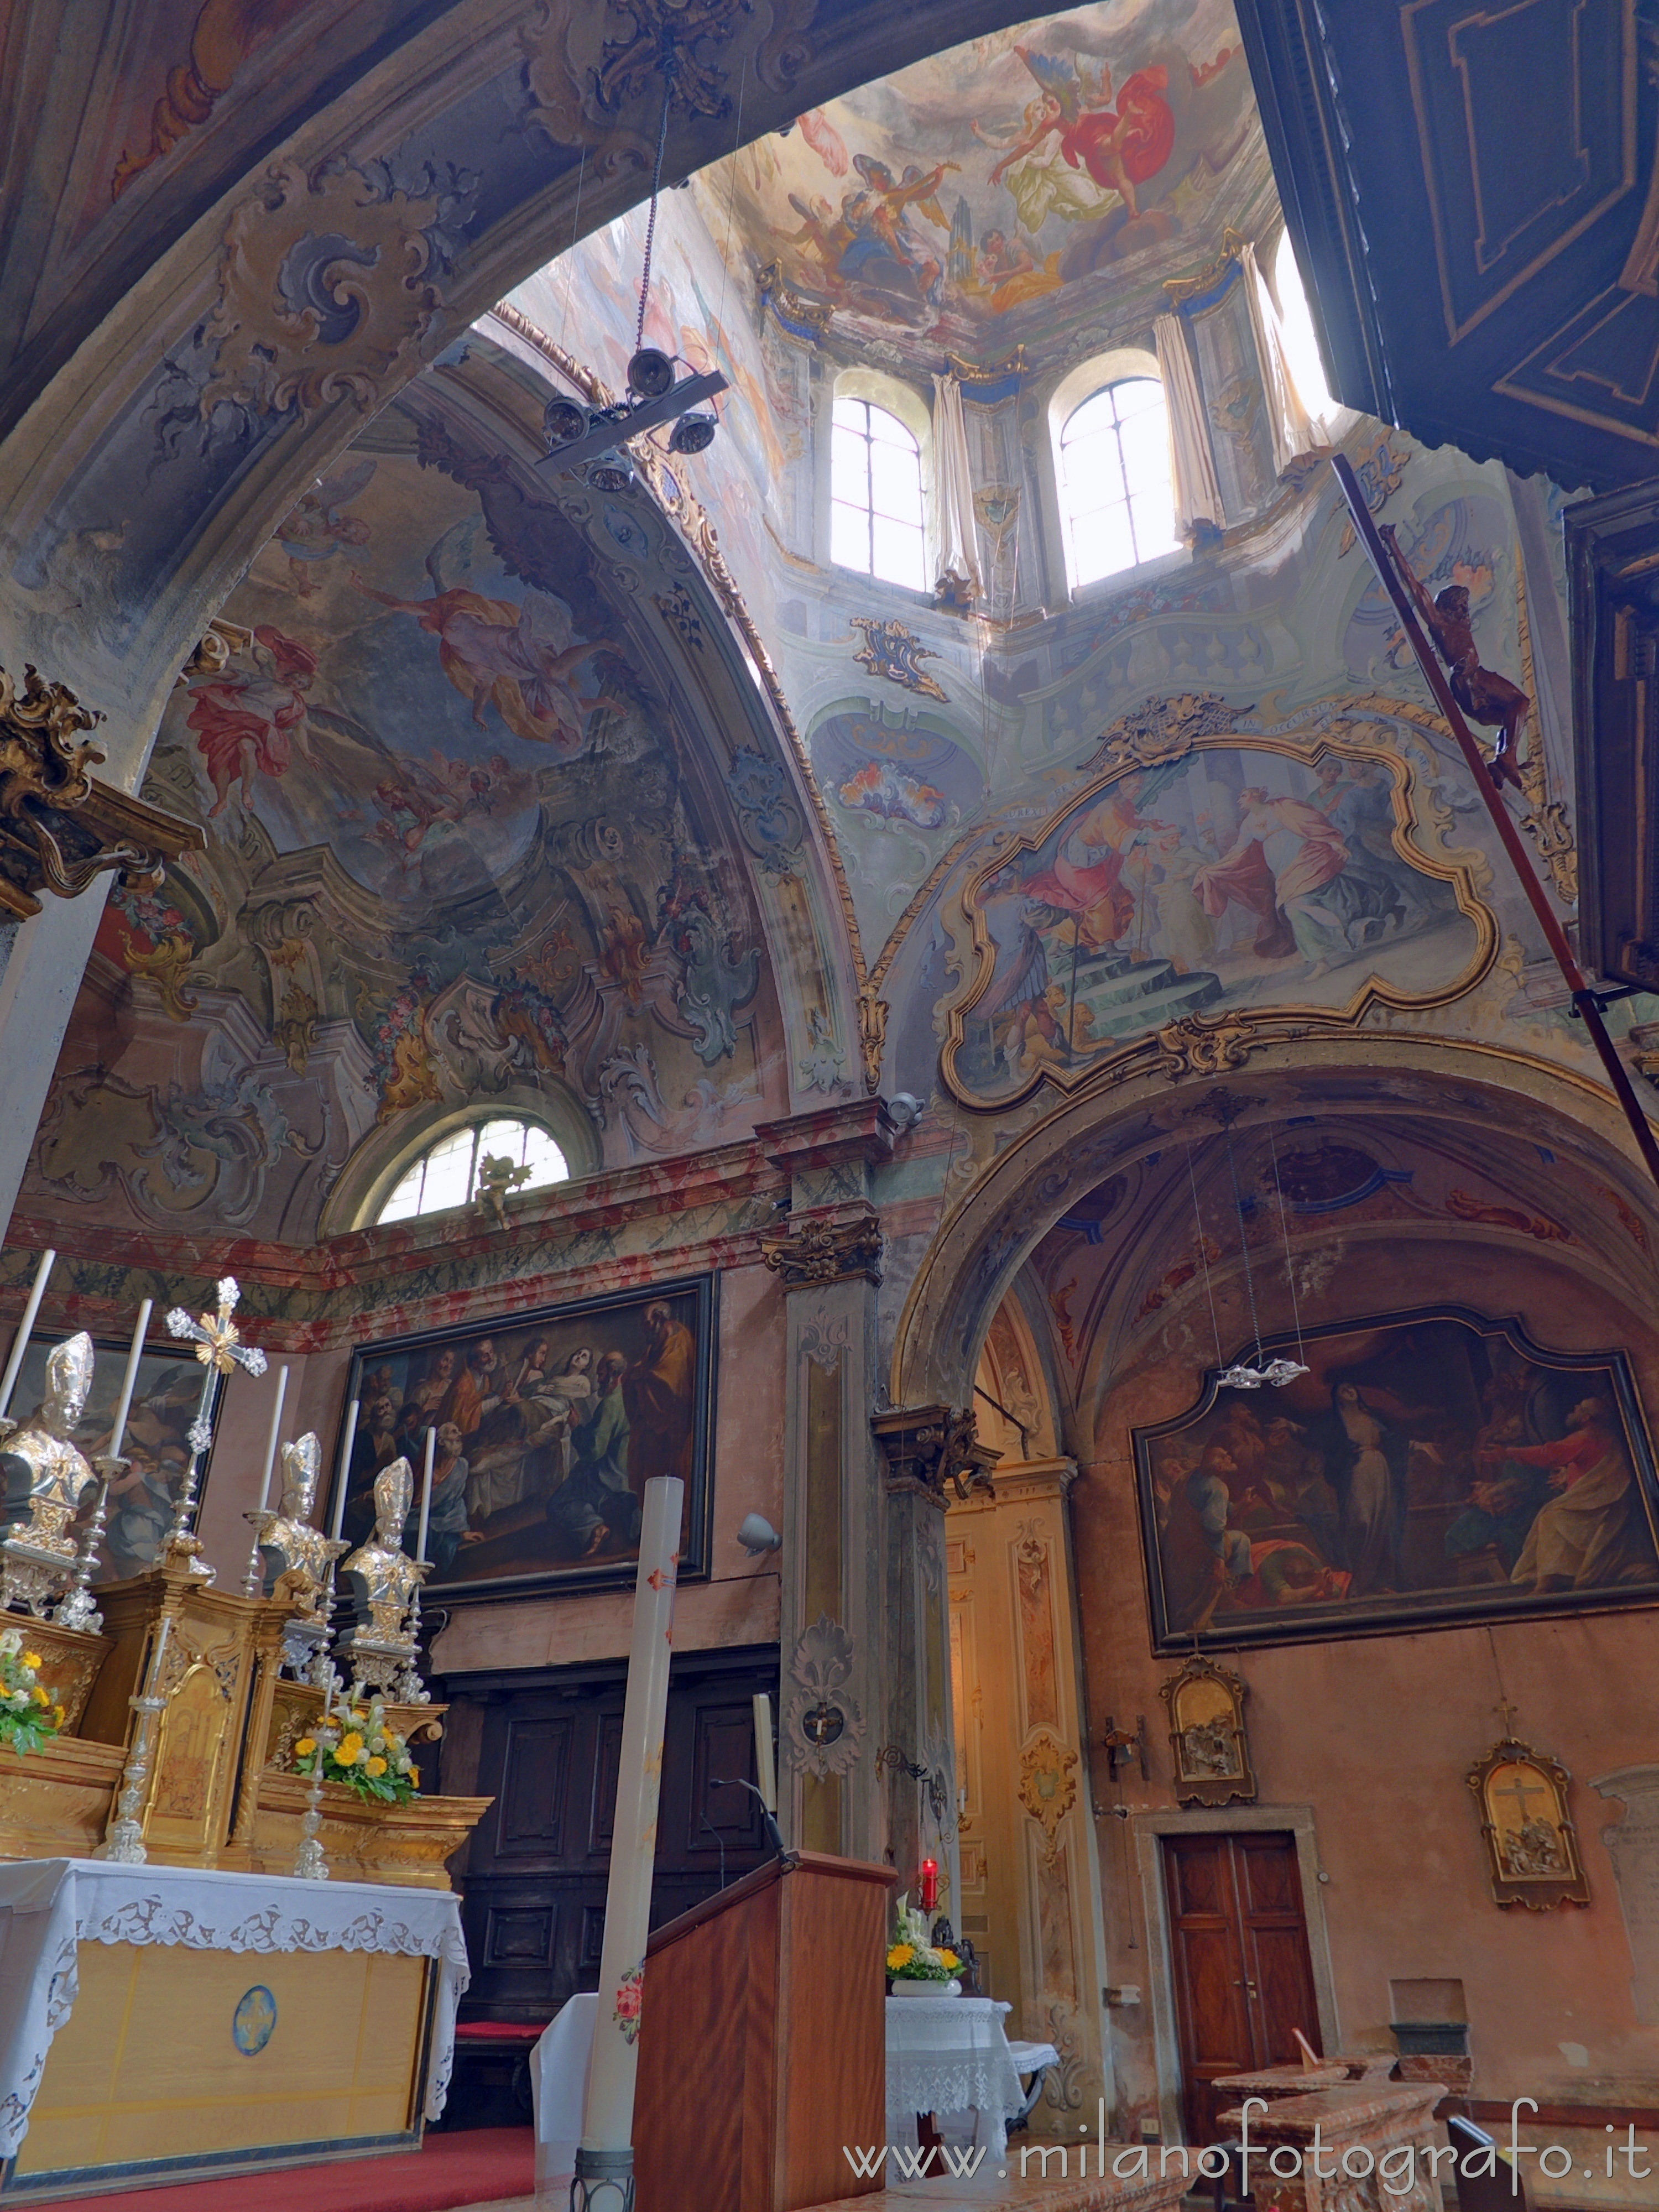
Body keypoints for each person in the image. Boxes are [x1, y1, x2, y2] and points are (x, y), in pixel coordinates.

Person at [1380, 526, 1530, 788]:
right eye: (1460, 605)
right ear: (1447, 606)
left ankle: (1502, 761)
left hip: (1475, 680)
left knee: (1514, 714)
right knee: (1520, 703)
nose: (1464, 610)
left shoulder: (1460, 625)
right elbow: (1414, 587)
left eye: (1465, 606)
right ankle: (1507, 758)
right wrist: (1392, 545)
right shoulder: (1441, 624)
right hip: (1470, 681)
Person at [1495, 1397, 1656, 1593]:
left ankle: (1548, 1582)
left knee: (1551, 1519)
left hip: (1596, 1508)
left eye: (1579, 1408)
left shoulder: (1586, 1438)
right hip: (1605, 1505)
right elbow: (1591, 1469)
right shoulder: (1610, 1437)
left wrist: (1508, 1453)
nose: (1574, 1408)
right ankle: (1558, 1576)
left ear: (1586, 1418)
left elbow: (1549, 1454)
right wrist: (1567, 1475)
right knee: (1555, 1516)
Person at [546, 1351, 637, 1557]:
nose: (599, 1380)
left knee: (557, 1503)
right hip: (629, 1473)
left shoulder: (612, 1403)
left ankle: (594, 1527)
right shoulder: (631, 1396)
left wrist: (576, 1427)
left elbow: (593, 1451)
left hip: (610, 1476)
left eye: (601, 1374)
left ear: (613, 1373)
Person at [624, 1302, 697, 1487]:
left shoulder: (680, 1340)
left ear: (659, 1318)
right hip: (653, 1432)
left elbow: (670, 1381)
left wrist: (642, 1377)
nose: (644, 1330)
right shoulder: (655, 1345)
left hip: (672, 1431)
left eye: (647, 1323)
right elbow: (646, 1368)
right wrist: (634, 1375)